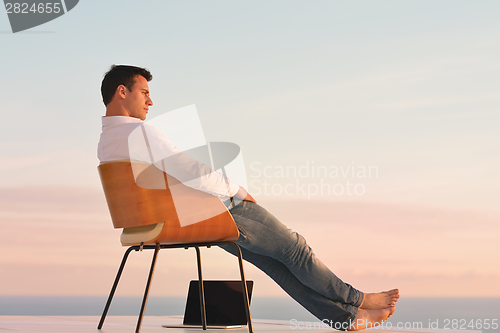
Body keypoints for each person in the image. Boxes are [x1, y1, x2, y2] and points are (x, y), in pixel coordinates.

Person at [97, 65, 399, 331]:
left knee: (275, 262)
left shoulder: (106, 143)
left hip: (161, 222)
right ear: (122, 92)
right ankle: (357, 299)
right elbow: (192, 170)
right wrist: (238, 191)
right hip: (203, 213)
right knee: (295, 249)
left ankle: (346, 319)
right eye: (144, 92)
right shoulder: (141, 133)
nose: (150, 101)